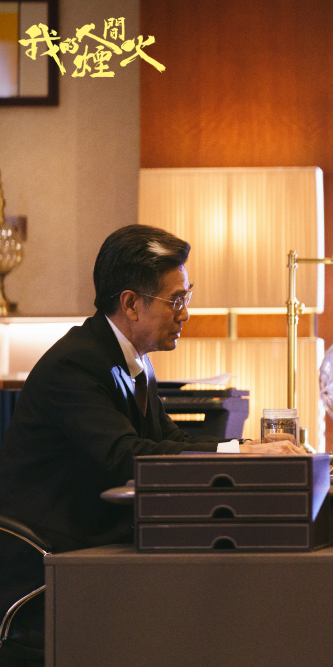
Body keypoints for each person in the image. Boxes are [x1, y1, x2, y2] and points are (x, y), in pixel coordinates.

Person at [0, 225, 301, 652]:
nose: (186, 313)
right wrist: (236, 454)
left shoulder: (133, 361)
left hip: (99, 547)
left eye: (186, 297)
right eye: (176, 300)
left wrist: (245, 448)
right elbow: (126, 455)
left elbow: (170, 439)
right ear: (131, 304)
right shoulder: (76, 363)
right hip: (51, 561)